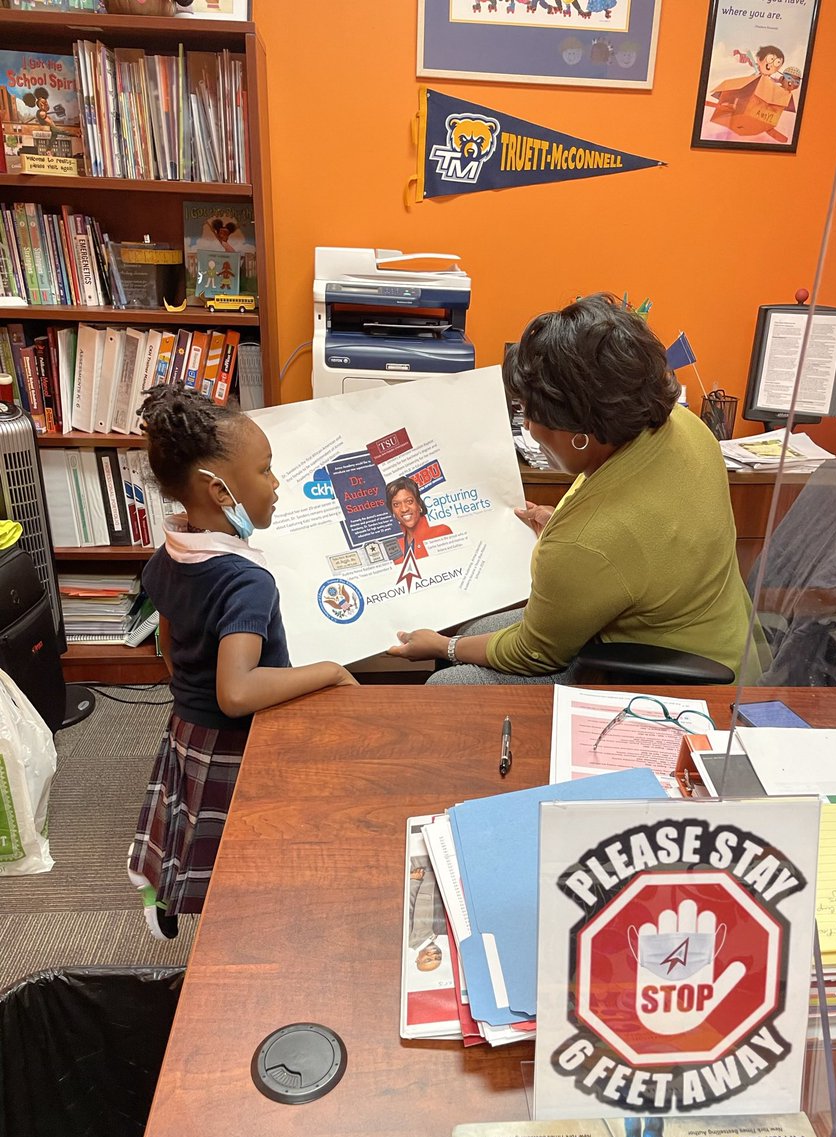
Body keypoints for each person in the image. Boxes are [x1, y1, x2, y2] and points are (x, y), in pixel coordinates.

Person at [388, 292, 764, 684]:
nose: (529, 428)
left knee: (447, 683)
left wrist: (440, 647)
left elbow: (532, 653)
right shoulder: (687, 427)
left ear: (582, 434)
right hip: (726, 638)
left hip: (673, 672)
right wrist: (564, 528)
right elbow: (648, 539)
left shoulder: (589, 541)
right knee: (474, 630)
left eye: (533, 416)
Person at [127, 382, 356, 938]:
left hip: (187, 729)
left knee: (187, 824)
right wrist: (327, 672)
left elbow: (168, 642)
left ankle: (165, 897)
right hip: (236, 742)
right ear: (220, 491)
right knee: (243, 842)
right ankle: (243, 933)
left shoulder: (169, 554)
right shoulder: (245, 582)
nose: (276, 484)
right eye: (265, 471)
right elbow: (237, 692)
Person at [386, 476, 452, 563]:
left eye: (409, 501)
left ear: (419, 503)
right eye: (396, 504)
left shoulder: (442, 531)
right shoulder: (393, 545)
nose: (404, 509)